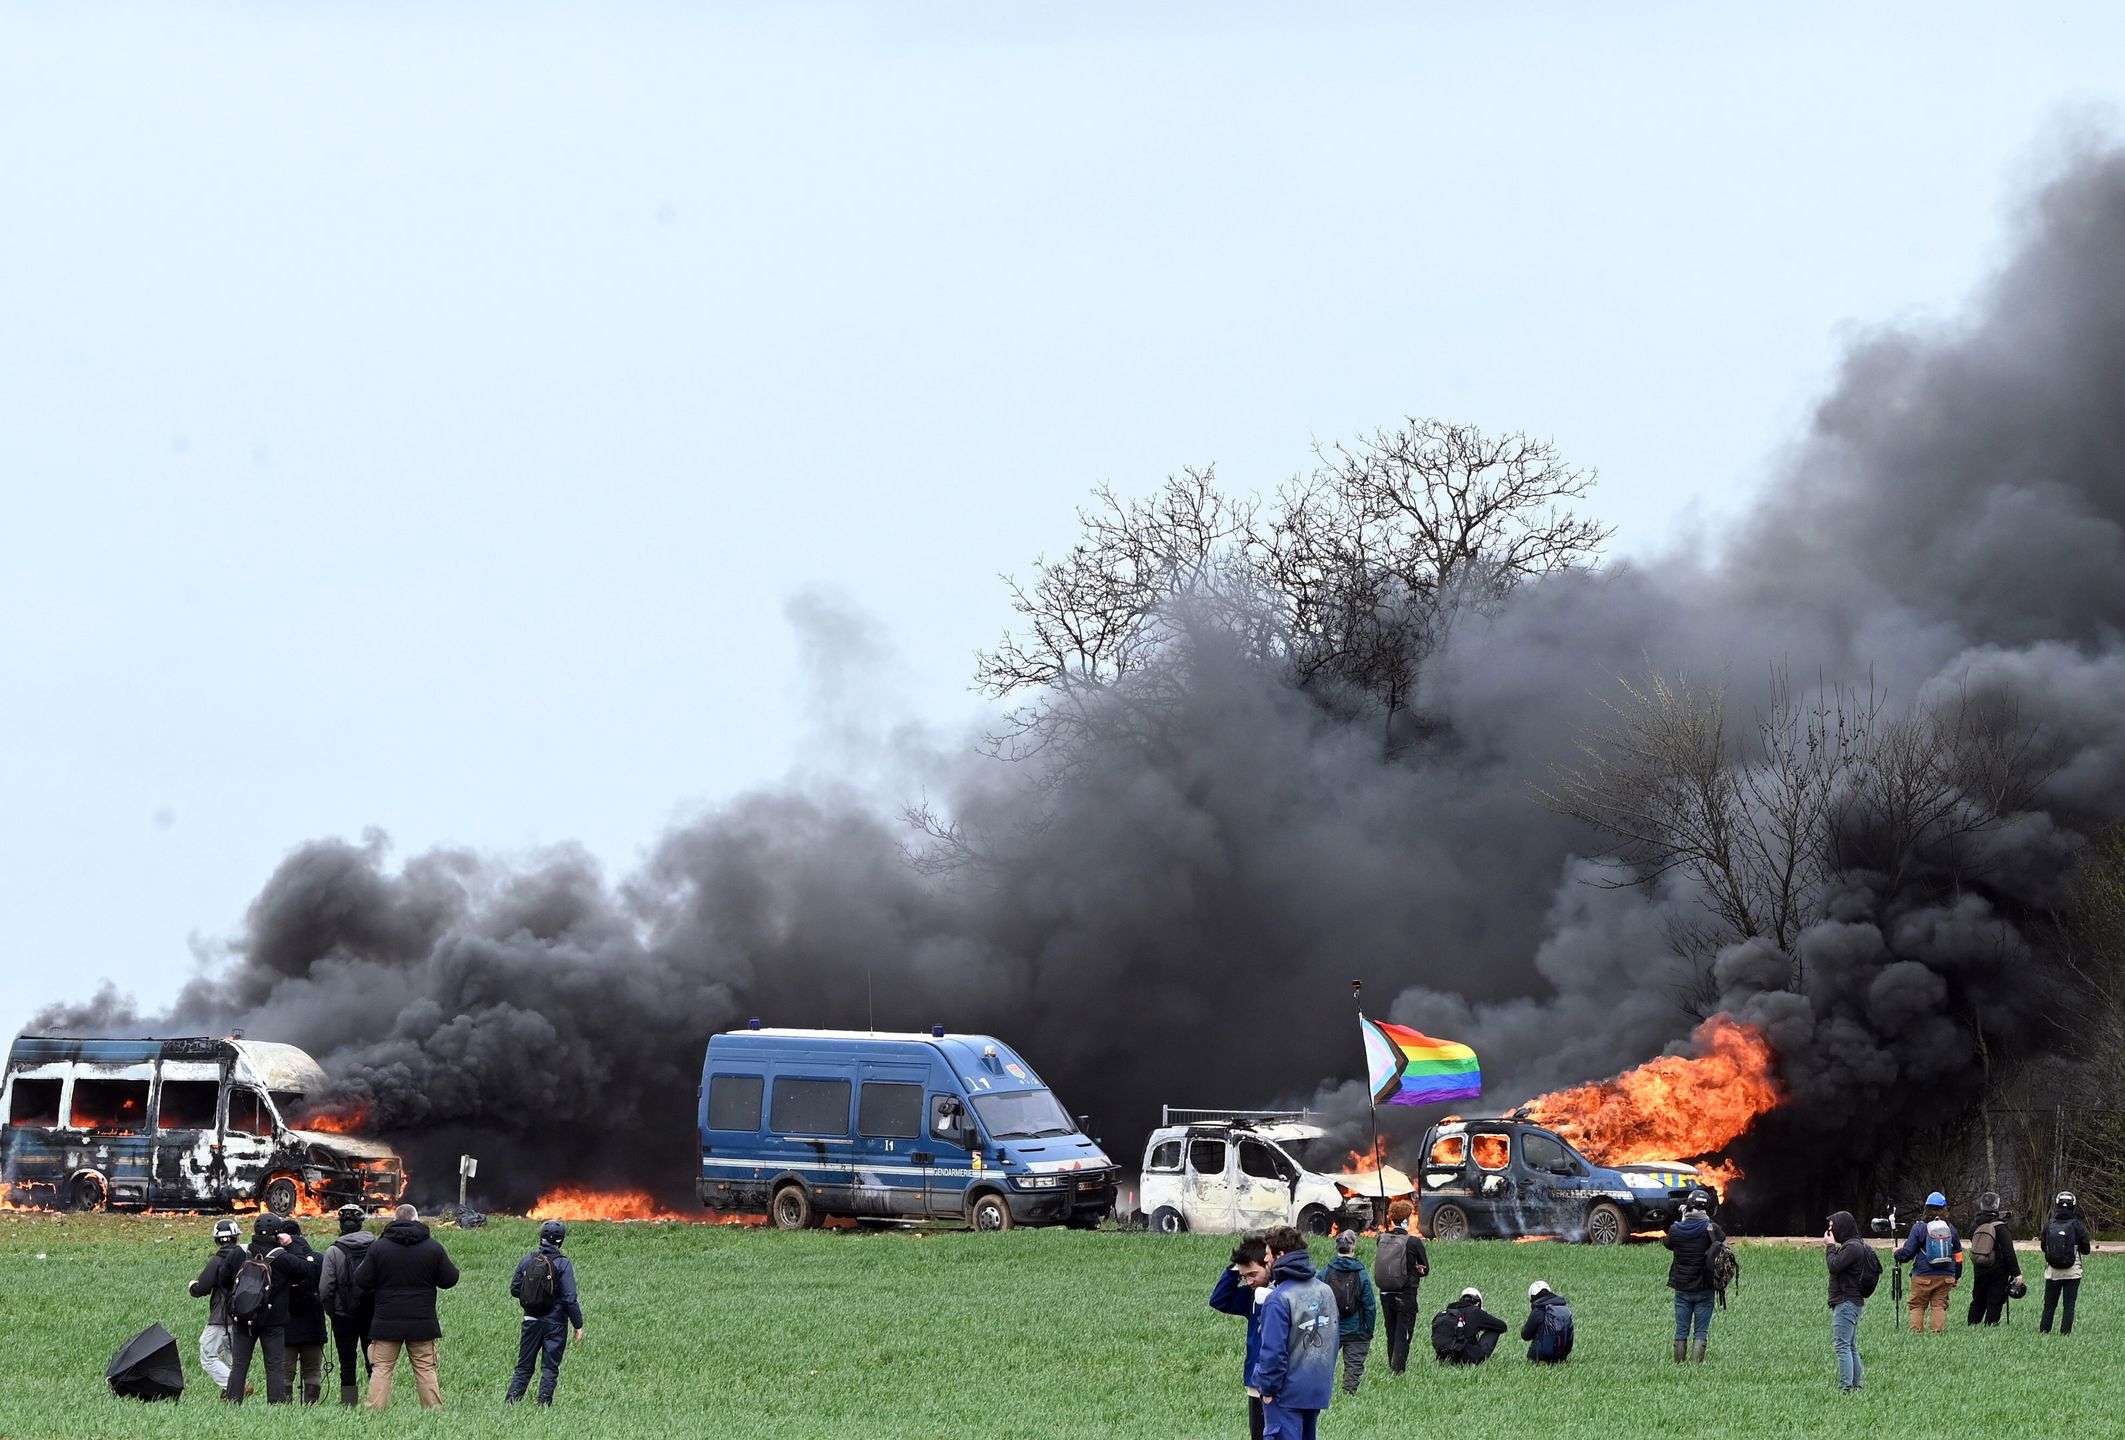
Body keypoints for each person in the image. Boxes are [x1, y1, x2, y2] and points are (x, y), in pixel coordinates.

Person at [355, 1202, 461, 1409]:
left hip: (387, 1320)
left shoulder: (379, 1247)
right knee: (425, 1368)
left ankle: (375, 1411)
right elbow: (450, 1279)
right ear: (416, 1219)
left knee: (382, 1367)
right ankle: (433, 1412)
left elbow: (361, 1279)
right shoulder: (432, 1247)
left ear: (394, 1219)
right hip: (422, 1321)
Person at [1252, 1226, 1338, 1440]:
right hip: (1316, 1389)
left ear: (1280, 1255)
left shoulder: (1278, 1298)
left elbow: (1273, 1352)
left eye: (1267, 1255)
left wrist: (1268, 1390)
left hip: (1285, 1394)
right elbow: (1334, 1339)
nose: (1266, 1260)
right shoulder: (1325, 1290)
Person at [507, 1219, 587, 1406]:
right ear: (561, 1241)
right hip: (556, 1323)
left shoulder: (528, 1259)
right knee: (550, 1367)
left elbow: (514, 1289)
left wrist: (533, 1300)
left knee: (524, 1366)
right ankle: (543, 1405)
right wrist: (578, 1324)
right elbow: (569, 1298)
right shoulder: (563, 1264)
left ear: (541, 1237)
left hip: (530, 1319)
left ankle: (511, 1402)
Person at [1210, 1234, 1273, 1440]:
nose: (1249, 1280)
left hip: (1277, 1381)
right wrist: (1235, 1270)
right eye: (1245, 1276)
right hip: (1255, 1379)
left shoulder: (1282, 1293)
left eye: (1253, 1273)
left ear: (1269, 1264)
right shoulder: (1251, 1294)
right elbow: (1219, 1300)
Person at [225, 1213, 293, 1404]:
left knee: (239, 1365)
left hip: (243, 1317)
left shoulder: (239, 1252)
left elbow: (223, 1277)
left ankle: (233, 1402)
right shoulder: (284, 1258)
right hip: (274, 1321)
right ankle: (276, 1405)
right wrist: (292, 1244)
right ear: (277, 1233)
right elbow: (307, 1271)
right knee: (274, 1366)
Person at [318, 1204, 377, 1405]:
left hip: (344, 1314)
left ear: (341, 1225)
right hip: (372, 1312)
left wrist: (331, 1310)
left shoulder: (334, 1251)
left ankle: (349, 1402)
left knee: (347, 1361)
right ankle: (376, 1400)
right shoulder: (375, 1247)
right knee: (374, 1359)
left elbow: (326, 1286)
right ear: (361, 1224)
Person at [1663, 1188, 1725, 1362]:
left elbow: (1668, 1244)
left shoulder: (1675, 1229)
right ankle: (1697, 1363)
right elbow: (1722, 1237)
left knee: (1681, 1329)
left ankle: (1679, 1363)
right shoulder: (1711, 1229)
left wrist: (1684, 1218)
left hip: (1682, 1288)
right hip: (1704, 1288)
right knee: (1701, 1330)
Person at [187, 1217, 244, 1397]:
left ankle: (234, 1387)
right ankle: (234, 1394)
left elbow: (201, 1288)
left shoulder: (217, 1261)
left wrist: (192, 1286)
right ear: (236, 1236)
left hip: (221, 1316)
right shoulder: (247, 1257)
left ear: (217, 1239)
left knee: (207, 1354)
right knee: (234, 1357)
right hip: (243, 1314)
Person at [271, 1218, 327, 1404]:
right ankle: (311, 1405)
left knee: (285, 1372)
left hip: (285, 1325)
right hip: (313, 1324)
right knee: (313, 1371)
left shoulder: (277, 1261)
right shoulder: (318, 1258)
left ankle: (284, 1409)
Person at [1372, 1198, 1429, 1374]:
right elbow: (1425, 1269)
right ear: (1407, 1218)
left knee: (1391, 1330)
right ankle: (1398, 1370)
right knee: (1403, 1332)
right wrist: (1418, 1269)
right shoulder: (1413, 1242)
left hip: (1385, 1292)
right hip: (1406, 1293)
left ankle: (1391, 1364)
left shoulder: (1381, 1238)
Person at [1893, 1190, 1962, 1333]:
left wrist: (1897, 1253)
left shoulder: (1919, 1228)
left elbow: (1908, 1254)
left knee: (1917, 1305)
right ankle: (1937, 1333)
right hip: (1946, 1276)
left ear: (1926, 1209)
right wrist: (1956, 1276)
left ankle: (1916, 1333)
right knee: (1938, 1305)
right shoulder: (1951, 1229)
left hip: (1923, 1276)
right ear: (1944, 1210)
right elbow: (1958, 1256)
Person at [1825, 1210, 1876, 1393]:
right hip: (1851, 1302)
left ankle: (1846, 1387)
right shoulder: (1854, 1245)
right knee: (1851, 1345)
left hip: (1846, 1302)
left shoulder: (1852, 1247)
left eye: (1832, 1227)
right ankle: (1856, 1385)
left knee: (1842, 1346)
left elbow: (1834, 1265)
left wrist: (1830, 1246)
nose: (1830, 1230)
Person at [1324, 1230, 1376, 1395]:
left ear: (1336, 1247)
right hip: (1357, 1329)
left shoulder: (1325, 1272)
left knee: (1325, 1363)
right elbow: (1369, 1305)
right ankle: (1349, 1392)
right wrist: (1368, 1329)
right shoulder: (1361, 1274)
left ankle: (1325, 1392)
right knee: (1354, 1365)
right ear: (1353, 1247)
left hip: (1331, 1328)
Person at [2039, 1190, 2094, 1335]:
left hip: (2052, 1272)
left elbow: (2043, 1247)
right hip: (2073, 1272)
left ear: (2057, 1204)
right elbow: (2086, 1249)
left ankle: (2044, 1331)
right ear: (2073, 1206)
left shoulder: (2049, 1224)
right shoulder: (2077, 1225)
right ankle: (2065, 1333)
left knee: (2049, 1305)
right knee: (2069, 1305)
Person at [1964, 1191, 2022, 1326]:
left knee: (1978, 1298)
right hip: (1998, 1268)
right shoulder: (2000, 1227)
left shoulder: (1974, 1224)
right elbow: (2008, 1252)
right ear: (1997, 1205)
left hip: (1979, 1265)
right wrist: (2016, 1273)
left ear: (1981, 1205)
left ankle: (1972, 1325)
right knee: (1994, 1300)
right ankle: (1990, 1326)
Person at [1432, 1286, 1508, 1366]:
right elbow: (1502, 1326)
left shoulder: (1447, 1313)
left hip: (1443, 1359)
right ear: (1478, 1303)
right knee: (1495, 1330)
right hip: (1467, 1359)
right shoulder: (1475, 1312)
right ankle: (1480, 1361)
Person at [1521, 1280, 1574, 1364]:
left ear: (1533, 1297)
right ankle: (1560, 1360)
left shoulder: (1538, 1310)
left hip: (1543, 1354)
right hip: (1563, 1352)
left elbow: (1526, 1335)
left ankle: (1542, 1361)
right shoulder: (1563, 1308)